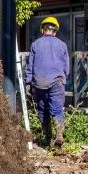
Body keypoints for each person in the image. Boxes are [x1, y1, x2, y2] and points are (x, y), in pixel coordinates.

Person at [24, 16, 70, 147]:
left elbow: (30, 66)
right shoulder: (62, 45)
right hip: (57, 81)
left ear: (42, 30)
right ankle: (59, 136)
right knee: (56, 109)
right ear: (55, 31)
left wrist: (28, 82)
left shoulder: (35, 44)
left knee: (42, 110)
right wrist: (63, 78)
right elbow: (66, 67)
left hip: (39, 82)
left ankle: (48, 139)